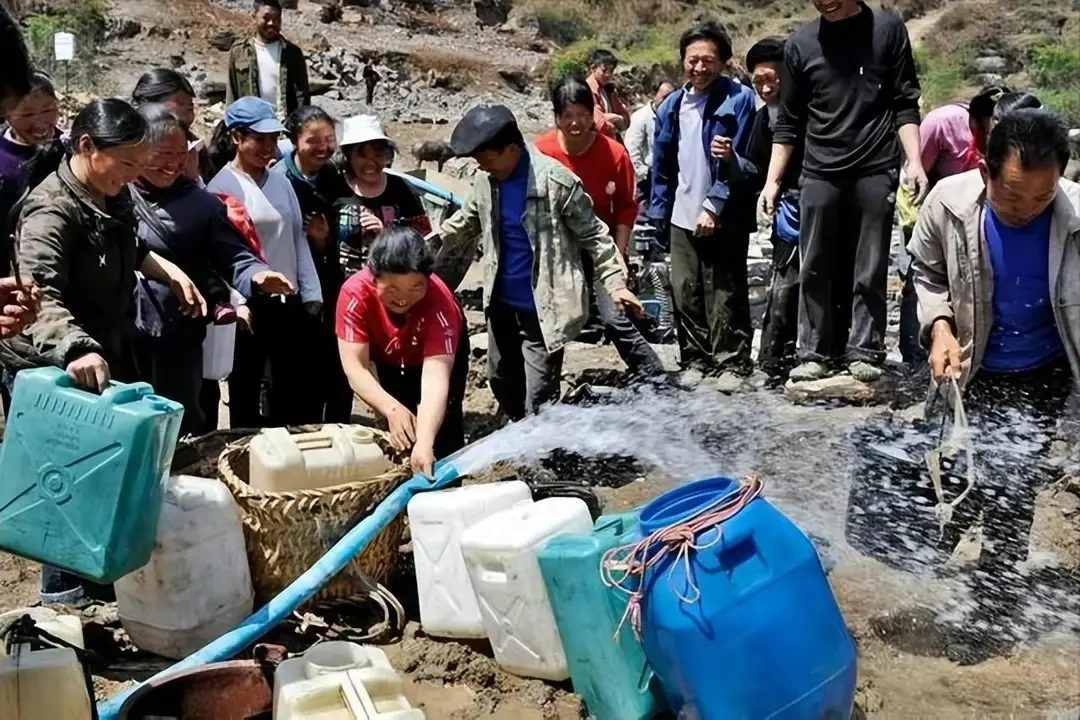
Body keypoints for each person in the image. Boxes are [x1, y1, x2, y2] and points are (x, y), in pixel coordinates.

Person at [4, 99, 205, 605]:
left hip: (97, 354)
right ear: (88, 147)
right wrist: (74, 347)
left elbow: (130, 246)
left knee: (101, 478)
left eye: (142, 166)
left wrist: (170, 271)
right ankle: (63, 600)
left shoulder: (109, 194)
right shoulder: (52, 211)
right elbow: (38, 294)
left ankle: (99, 580)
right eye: (128, 165)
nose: (135, 177)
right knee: (62, 486)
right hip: (49, 364)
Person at [907, 108, 1078, 654]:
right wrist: (938, 327)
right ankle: (950, 541)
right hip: (972, 367)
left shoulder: (1075, 216)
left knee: (1014, 480)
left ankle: (995, 602)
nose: (1027, 210)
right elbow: (926, 273)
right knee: (961, 469)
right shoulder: (948, 203)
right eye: (1012, 197)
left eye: (1041, 198)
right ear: (984, 171)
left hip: (1045, 369)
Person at [437, 104, 642, 419]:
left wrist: (616, 283)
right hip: (502, 303)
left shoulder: (557, 183)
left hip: (544, 309)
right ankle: (525, 434)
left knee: (540, 395)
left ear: (511, 149)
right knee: (500, 378)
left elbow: (595, 236)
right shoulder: (486, 181)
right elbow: (466, 223)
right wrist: (424, 246)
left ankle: (541, 460)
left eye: (488, 160)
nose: (484, 167)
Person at [766, 0, 926, 383]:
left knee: (869, 264)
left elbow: (905, 102)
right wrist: (773, 180)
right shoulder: (800, 43)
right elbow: (789, 121)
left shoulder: (887, 30)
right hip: (819, 167)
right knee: (815, 263)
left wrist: (915, 161)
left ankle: (865, 350)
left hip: (875, 163)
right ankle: (813, 353)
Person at [131, 104, 295, 436]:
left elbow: (232, 253)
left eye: (181, 153)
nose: (174, 163)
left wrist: (256, 275)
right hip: (121, 332)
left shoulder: (202, 204)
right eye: (163, 154)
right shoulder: (115, 194)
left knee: (174, 421)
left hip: (176, 332)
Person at [535, 75, 664, 379]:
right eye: (568, 116)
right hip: (556, 253)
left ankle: (654, 377)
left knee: (615, 316)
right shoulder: (540, 152)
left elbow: (625, 209)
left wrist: (618, 256)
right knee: (552, 321)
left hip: (601, 250)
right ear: (557, 117)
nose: (577, 123)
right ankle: (545, 396)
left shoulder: (615, 154)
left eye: (583, 115)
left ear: (594, 114)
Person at [648, 21, 758, 377]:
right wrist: (658, 215)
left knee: (724, 289)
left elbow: (748, 162)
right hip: (682, 212)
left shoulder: (739, 99)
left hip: (724, 215)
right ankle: (695, 359)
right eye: (692, 60)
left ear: (723, 62)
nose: (699, 68)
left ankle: (731, 361)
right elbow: (662, 168)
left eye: (708, 60)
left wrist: (714, 204)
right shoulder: (671, 106)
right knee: (685, 290)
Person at [207, 96, 323, 427]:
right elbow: (221, 255)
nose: (267, 147)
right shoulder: (222, 188)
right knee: (245, 385)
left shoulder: (281, 182)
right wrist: (235, 303)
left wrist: (311, 292)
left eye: (273, 139)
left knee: (291, 386)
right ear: (236, 138)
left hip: (288, 302)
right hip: (248, 305)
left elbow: (297, 236)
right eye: (259, 139)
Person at [337, 226, 470, 476]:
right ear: (373, 277)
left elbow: (436, 377)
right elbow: (355, 368)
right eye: (392, 288)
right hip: (387, 354)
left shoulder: (440, 304)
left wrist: (426, 440)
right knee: (398, 417)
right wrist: (391, 408)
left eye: (415, 288)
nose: (403, 298)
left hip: (437, 357)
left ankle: (445, 479)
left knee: (441, 429)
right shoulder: (354, 293)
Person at [897, 85, 1011, 366]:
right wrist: (918, 224)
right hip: (929, 210)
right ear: (975, 123)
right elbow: (913, 173)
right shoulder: (943, 123)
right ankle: (914, 357)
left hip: (978, 219)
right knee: (920, 278)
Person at [275, 105, 354, 423]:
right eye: (313, 140)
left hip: (331, 280)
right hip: (291, 285)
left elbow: (345, 222)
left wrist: (326, 240)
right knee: (296, 364)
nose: (323, 148)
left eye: (329, 139)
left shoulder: (334, 176)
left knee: (334, 361)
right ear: (294, 140)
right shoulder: (280, 179)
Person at [745, 37, 804, 377]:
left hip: (815, 209)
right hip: (785, 218)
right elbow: (754, 167)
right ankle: (773, 363)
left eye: (773, 79)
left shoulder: (812, 114)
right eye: (759, 81)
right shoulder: (761, 119)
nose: (766, 87)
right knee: (783, 289)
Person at [336, 114, 431, 278]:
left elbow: (423, 241)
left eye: (378, 155)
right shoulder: (334, 188)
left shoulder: (401, 189)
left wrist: (386, 235)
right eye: (362, 155)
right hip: (342, 287)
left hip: (391, 286)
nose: (371, 163)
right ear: (348, 157)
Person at [0, 71, 64, 280]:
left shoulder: (73, 151)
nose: (40, 122)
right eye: (27, 114)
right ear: (6, 113)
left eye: (48, 110)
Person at [226, 0, 310, 118]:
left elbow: (302, 96)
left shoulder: (293, 53)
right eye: (266, 18)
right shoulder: (239, 52)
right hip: (251, 125)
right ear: (254, 17)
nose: (271, 23)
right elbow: (232, 93)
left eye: (276, 19)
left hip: (284, 125)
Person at [132, 68, 215, 183]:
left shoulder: (196, 150)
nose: (188, 109)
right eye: (180, 102)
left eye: (190, 104)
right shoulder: (129, 145)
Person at [625, 81, 677, 199]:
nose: (666, 102)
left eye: (670, 98)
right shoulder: (641, 117)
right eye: (664, 97)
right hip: (645, 179)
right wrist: (642, 174)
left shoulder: (672, 118)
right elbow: (632, 149)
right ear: (655, 95)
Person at [585, 49, 631, 139]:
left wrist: (614, 118)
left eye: (611, 71)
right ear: (593, 68)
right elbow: (598, 123)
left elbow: (626, 119)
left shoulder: (608, 89)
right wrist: (615, 118)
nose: (608, 75)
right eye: (604, 70)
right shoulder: (587, 90)